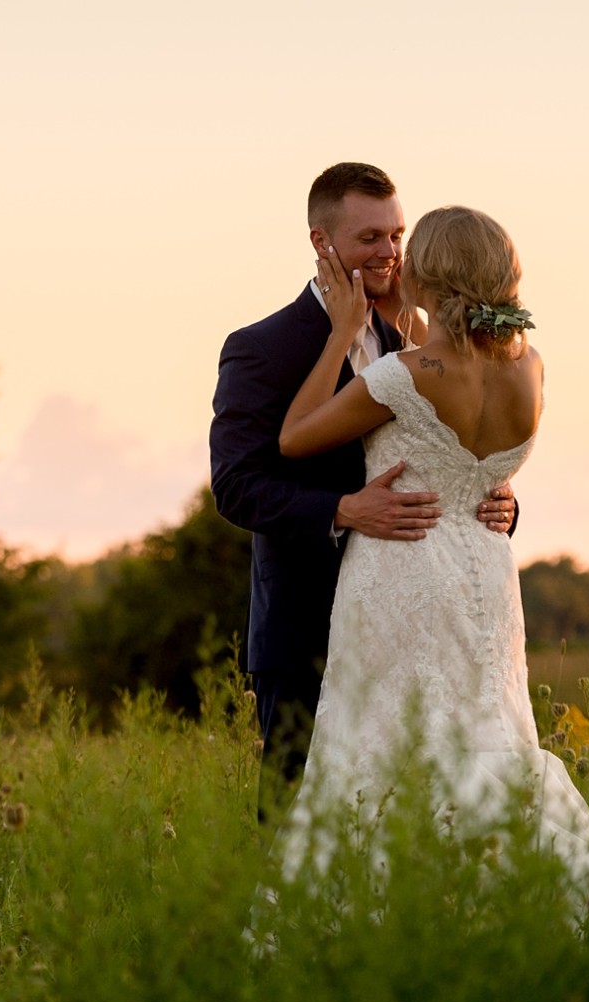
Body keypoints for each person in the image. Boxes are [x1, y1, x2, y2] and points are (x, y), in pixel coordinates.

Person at [273, 204, 589, 896]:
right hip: (488, 576)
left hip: (401, 570)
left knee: (386, 741)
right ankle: (496, 897)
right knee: (487, 734)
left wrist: (342, 333)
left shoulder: (406, 373)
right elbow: (482, 469)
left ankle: (391, 905)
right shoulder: (531, 369)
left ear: (430, 275)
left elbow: (295, 437)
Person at [210, 164, 516, 823]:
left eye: (397, 235)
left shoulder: (420, 342)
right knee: (298, 824)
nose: (390, 252)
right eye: (370, 237)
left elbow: (456, 455)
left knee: (416, 815)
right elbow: (236, 486)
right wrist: (343, 509)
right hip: (306, 628)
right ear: (321, 242)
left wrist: (501, 502)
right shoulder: (260, 348)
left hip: (417, 626)